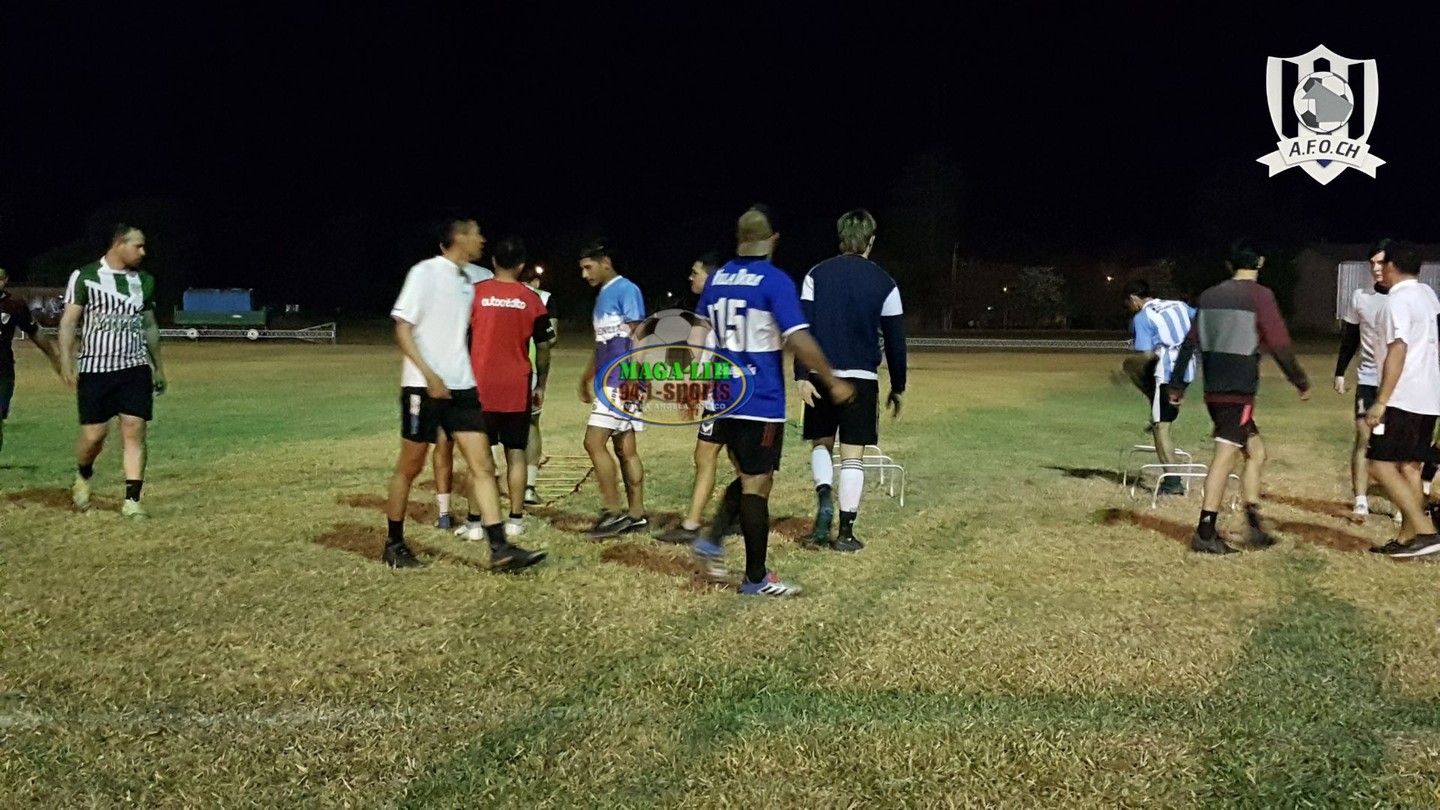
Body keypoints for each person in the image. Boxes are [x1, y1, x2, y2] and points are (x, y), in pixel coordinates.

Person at [690, 205, 855, 596]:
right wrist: (832, 380)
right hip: (758, 399)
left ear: (738, 239)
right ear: (773, 239)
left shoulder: (717, 281)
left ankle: (711, 542)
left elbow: (698, 330)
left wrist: (703, 371)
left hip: (724, 396)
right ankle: (755, 578)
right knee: (757, 484)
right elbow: (798, 338)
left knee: (750, 477)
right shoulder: (774, 281)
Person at [385, 217, 545, 571]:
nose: (482, 239)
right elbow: (402, 329)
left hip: (463, 388)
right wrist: (430, 376)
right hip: (422, 387)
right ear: (458, 237)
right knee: (410, 466)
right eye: (476, 233)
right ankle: (394, 543)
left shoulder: (475, 279)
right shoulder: (424, 273)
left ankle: (500, 547)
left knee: (483, 465)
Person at [1169, 241, 1310, 554]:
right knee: (1225, 455)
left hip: (1215, 389)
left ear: (1228, 266)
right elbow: (1278, 341)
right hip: (1238, 391)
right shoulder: (1259, 296)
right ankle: (1205, 532)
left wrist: (1177, 386)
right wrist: (1299, 380)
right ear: (1260, 264)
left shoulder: (1209, 296)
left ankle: (1253, 523)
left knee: (1256, 452)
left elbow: (1190, 343)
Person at [794, 209, 907, 551]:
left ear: (841, 238)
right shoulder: (885, 283)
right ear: (871, 241)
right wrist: (898, 386)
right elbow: (896, 341)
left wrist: (801, 375)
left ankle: (823, 498)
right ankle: (845, 532)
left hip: (821, 376)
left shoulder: (816, 274)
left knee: (821, 445)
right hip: (861, 380)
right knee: (853, 457)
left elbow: (802, 329)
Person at [58, 225, 168, 518]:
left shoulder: (144, 281)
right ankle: (83, 474)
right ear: (119, 244)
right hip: (96, 369)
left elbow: (149, 325)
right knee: (94, 436)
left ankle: (132, 500)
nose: (143, 253)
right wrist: (67, 362)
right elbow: (69, 321)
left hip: (134, 369)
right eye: (138, 246)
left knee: (134, 429)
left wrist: (158, 367)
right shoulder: (86, 276)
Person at [468, 237, 555, 537]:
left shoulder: (475, 294)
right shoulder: (532, 299)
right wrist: (541, 383)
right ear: (521, 266)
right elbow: (545, 346)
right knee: (515, 453)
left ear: (493, 262)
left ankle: (475, 522)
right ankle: (515, 519)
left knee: (479, 456)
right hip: (517, 386)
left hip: (479, 387)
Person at [1360, 241, 1440, 557]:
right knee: (1409, 467)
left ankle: (1426, 532)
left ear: (1392, 266)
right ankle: (1408, 539)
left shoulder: (1398, 302)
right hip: (1428, 397)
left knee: (1379, 465)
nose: (1378, 269)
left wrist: (1382, 400)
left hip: (1403, 397)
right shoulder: (1428, 296)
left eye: (1382, 264)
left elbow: (1398, 347)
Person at [656, 252, 737, 544]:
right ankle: (743, 512)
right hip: (727, 390)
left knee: (705, 455)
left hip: (722, 393)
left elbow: (709, 354)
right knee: (738, 457)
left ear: (712, 277)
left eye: (696, 272)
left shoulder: (713, 309)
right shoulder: (722, 307)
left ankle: (691, 525)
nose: (691, 277)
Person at [578, 239, 648, 538]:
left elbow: (641, 336)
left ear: (606, 262)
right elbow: (603, 344)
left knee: (593, 443)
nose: (584, 274)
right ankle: (636, 515)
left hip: (621, 382)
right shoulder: (604, 295)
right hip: (612, 380)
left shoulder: (626, 289)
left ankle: (612, 513)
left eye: (588, 267)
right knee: (625, 448)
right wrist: (586, 376)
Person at [1121, 279, 1196, 498]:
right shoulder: (1179, 305)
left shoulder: (1142, 317)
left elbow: (1146, 355)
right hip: (1188, 368)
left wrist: (1125, 370)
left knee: (1160, 427)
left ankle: (1173, 483)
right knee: (1162, 413)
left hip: (1166, 373)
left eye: (1128, 303)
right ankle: (1159, 406)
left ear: (1134, 299)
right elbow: (1202, 319)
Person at [432, 260, 493, 529]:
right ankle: (475, 519)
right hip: (467, 375)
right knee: (475, 451)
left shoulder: (438, 275)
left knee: (445, 444)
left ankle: (449, 515)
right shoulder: (485, 276)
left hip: (453, 372)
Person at [1334, 253, 1389, 518]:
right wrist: (1340, 372)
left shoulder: (1405, 298)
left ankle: (1398, 500)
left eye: (1381, 263)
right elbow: (1350, 337)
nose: (1376, 269)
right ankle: (1360, 499)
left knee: (1395, 442)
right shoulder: (1361, 297)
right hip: (1368, 378)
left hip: (1400, 382)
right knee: (1364, 436)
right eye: (1372, 263)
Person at [0, 266, 63, 455]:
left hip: (3, 371)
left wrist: (54, 356)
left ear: (6, 280)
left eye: (0, 279)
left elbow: (34, 332)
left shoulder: (14, 305)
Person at [521, 265, 555, 506]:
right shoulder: (541, 299)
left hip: (488, 372)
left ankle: (487, 486)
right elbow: (550, 339)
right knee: (531, 425)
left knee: (489, 429)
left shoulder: (488, 292)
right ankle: (528, 488)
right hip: (527, 370)